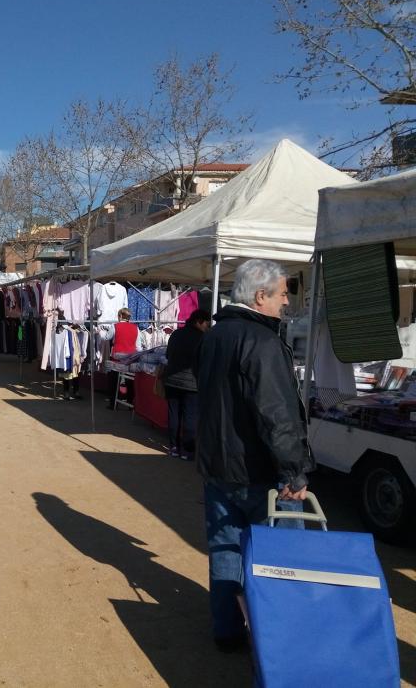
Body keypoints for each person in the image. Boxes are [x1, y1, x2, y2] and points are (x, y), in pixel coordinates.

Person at [196, 259, 315, 653]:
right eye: (282, 293)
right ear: (260, 296)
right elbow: (276, 413)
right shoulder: (260, 341)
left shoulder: (215, 334)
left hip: (219, 466)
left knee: (226, 552)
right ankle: (280, 639)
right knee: (283, 558)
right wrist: (294, 472)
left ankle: (227, 629)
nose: (286, 300)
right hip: (258, 473)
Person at [163, 309, 211, 461]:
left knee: (173, 414)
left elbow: (167, 355)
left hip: (171, 380)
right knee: (190, 416)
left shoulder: (176, 334)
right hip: (192, 384)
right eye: (206, 324)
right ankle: (187, 450)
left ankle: (174, 447)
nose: (207, 327)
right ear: (199, 321)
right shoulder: (203, 338)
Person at [107, 308, 139, 408]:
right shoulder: (136, 328)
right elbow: (138, 345)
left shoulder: (114, 326)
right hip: (131, 358)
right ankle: (130, 403)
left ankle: (113, 404)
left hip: (117, 358)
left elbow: (107, 337)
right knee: (130, 381)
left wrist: (99, 332)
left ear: (120, 316)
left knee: (114, 380)